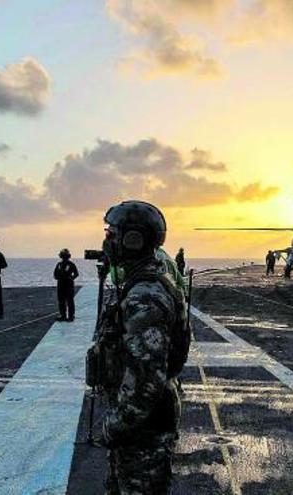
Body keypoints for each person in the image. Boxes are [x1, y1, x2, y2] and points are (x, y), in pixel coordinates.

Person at [99, 200, 184, 495]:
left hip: (142, 431)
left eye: (112, 234)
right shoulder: (141, 283)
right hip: (138, 428)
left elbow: (147, 379)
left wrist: (115, 424)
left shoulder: (144, 296)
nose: (106, 241)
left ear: (132, 240)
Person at [53, 248, 79, 321]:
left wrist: (71, 278)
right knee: (61, 300)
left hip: (68, 284)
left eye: (65, 255)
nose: (64, 257)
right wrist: (57, 277)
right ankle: (63, 315)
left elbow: (76, 274)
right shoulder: (59, 264)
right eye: (63, 255)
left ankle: (71, 316)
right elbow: (55, 274)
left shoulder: (71, 264)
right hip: (61, 284)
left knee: (69, 300)